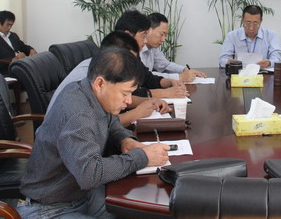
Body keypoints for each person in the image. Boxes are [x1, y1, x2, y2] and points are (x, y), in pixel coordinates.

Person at [18, 47, 169, 218]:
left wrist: (125, 140)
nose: (128, 101)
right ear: (100, 84)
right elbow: (90, 174)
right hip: (48, 207)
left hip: (80, 194)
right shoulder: (78, 114)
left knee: (140, 212)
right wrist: (142, 157)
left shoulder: (88, 91)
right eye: (125, 93)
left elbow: (111, 121)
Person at [48, 31, 170, 126]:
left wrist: (149, 102)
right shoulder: (85, 81)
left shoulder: (98, 69)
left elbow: (109, 115)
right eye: (127, 61)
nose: (131, 67)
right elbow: (97, 125)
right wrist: (135, 114)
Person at [115, 9, 188, 98]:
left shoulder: (132, 53)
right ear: (128, 35)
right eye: (143, 36)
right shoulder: (114, 59)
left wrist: (169, 81)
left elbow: (147, 78)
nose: (145, 41)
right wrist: (164, 93)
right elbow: (129, 94)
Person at [140, 12, 206, 82]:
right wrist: (179, 77)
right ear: (148, 30)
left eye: (165, 35)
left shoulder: (153, 48)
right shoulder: (136, 49)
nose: (163, 39)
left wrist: (184, 70)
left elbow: (165, 65)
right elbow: (145, 76)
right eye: (161, 34)